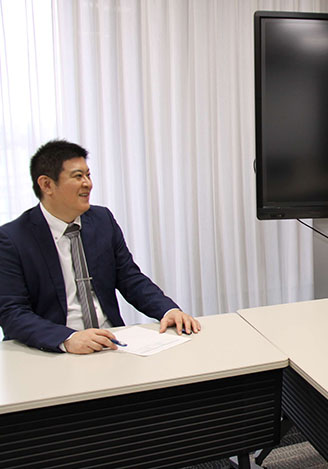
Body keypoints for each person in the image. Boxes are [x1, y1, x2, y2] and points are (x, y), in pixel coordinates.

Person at [0, 140, 200, 354]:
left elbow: (130, 278)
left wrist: (167, 310)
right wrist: (67, 338)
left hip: (111, 343)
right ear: (47, 185)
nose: (87, 183)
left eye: (88, 175)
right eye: (78, 176)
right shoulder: (13, 238)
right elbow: (12, 312)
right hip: (53, 350)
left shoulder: (102, 220)